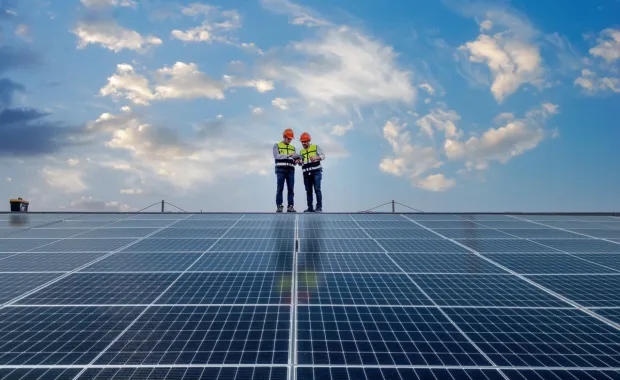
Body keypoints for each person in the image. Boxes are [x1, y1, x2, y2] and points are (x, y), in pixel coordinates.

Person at [273, 128, 301, 212]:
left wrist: (296, 161)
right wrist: (288, 155)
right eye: (288, 138)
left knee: (291, 189)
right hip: (280, 170)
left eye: (291, 139)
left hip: (291, 170)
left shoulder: (293, 147)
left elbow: (294, 160)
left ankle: (290, 206)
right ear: (284, 136)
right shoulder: (277, 145)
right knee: (280, 188)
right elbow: (276, 156)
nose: (290, 140)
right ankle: (279, 206)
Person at [299, 132, 325, 212]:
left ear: (309, 141)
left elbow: (323, 156)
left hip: (316, 172)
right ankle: (310, 208)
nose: (304, 143)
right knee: (308, 191)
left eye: (305, 141)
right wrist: (300, 162)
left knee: (317, 189)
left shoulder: (315, 147)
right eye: (302, 142)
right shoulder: (301, 152)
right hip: (306, 174)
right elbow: (302, 163)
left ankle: (319, 207)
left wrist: (316, 157)